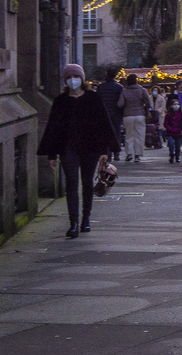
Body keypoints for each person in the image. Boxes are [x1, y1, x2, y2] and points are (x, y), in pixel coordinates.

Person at [38, 65, 118, 238]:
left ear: (82, 78)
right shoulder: (61, 101)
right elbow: (53, 128)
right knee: (72, 184)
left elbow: (103, 124)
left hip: (90, 148)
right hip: (68, 148)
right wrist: (51, 154)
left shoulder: (93, 98)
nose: (73, 79)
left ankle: (86, 219)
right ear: (64, 80)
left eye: (76, 75)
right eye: (69, 76)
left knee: (87, 183)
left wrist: (104, 150)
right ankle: (73, 222)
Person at [116, 73, 150, 162]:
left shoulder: (124, 91)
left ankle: (129, 154)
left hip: (128, 115)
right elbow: (148, 102)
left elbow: (120, 104)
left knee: (129, 135)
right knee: (139, 135)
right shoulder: (142, 90)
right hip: (140, 115)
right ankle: (137, 155)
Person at [97, 65, 124, 159]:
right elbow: (121, 101)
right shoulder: (119, 87)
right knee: (116, 133)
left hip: (104, 113)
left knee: (105, 133)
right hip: (116, 113)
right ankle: (116, 152)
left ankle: (107, 153)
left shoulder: (101, 87)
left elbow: (98, 100)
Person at [163, 96, 182, 163]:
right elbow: (165, 123)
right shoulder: (169, 115)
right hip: (170, 132)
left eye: (177, 104)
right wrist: (170, 129)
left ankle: (177, 156)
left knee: (178, 146)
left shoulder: (181, 114)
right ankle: (172, 155)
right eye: (174, 104)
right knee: (171, 144)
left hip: (178, 132)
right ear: (171, 106)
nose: (176, 106)